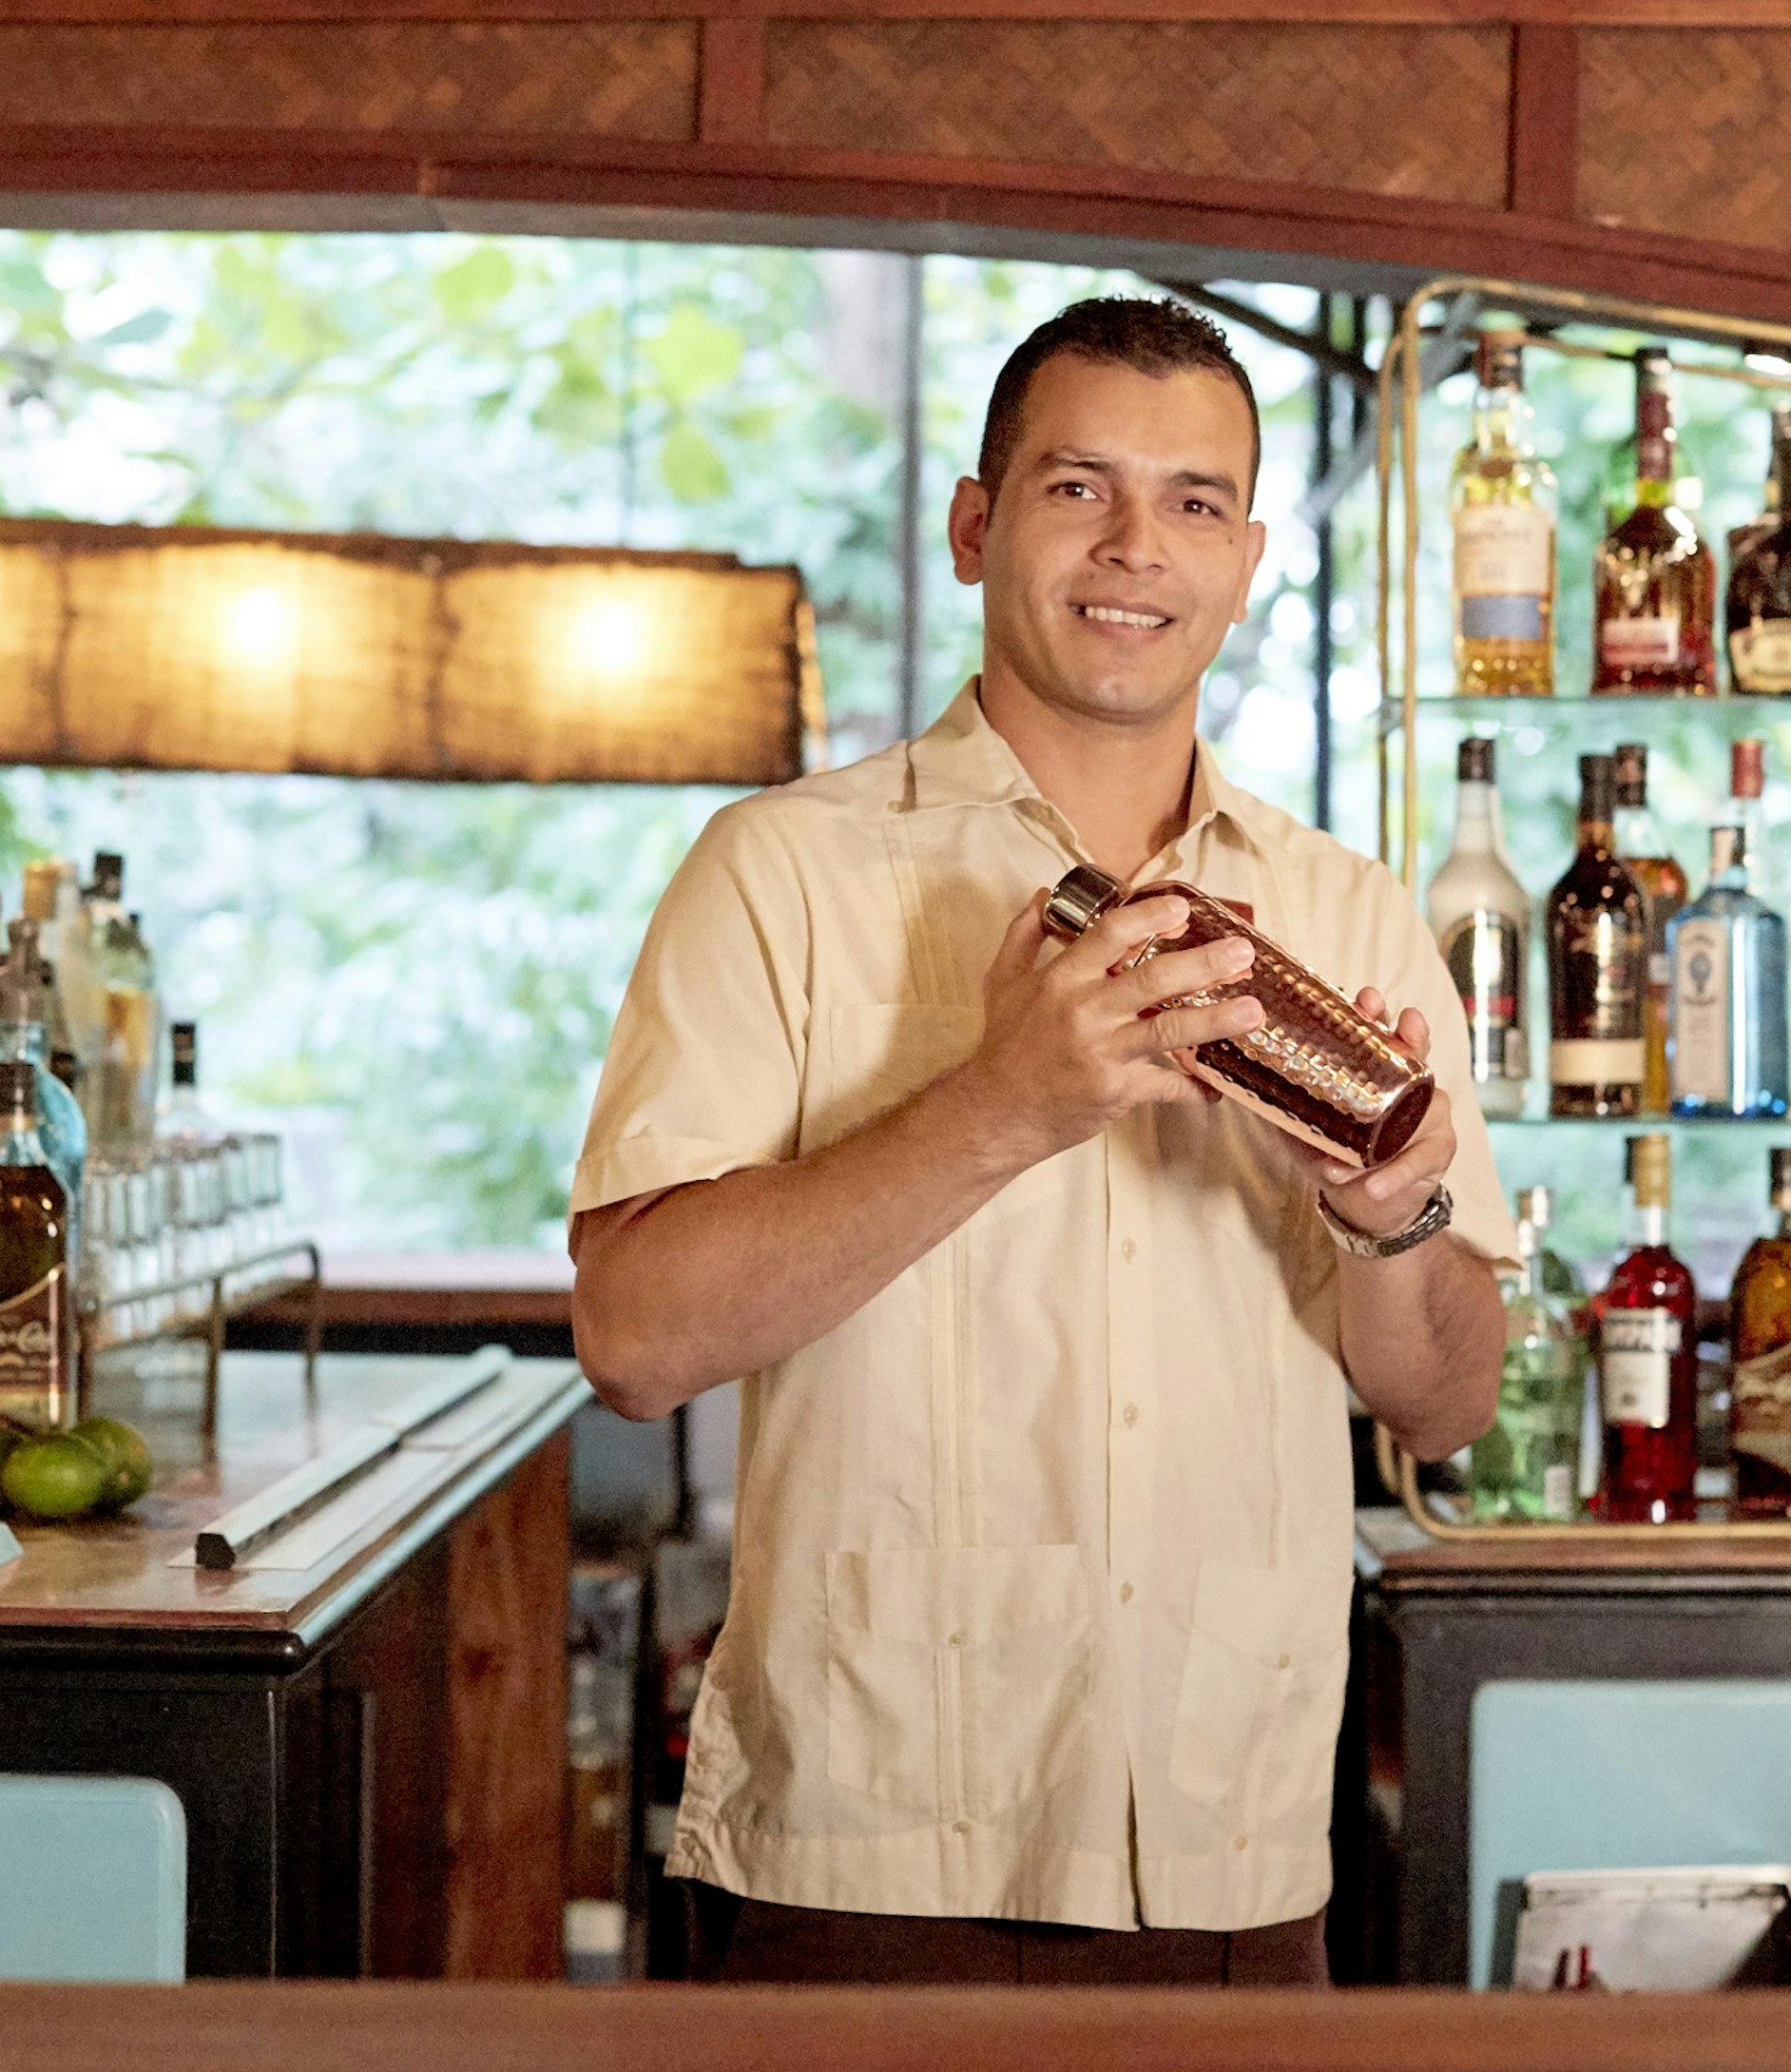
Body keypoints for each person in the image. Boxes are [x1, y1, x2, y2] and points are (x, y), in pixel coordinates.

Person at [568, 296, 1511, 1985]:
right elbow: (634, 1344)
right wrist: (1001, 1109)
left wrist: (1390, 1211)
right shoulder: (777, 872)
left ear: (1245, 561)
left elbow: (1445, 1401)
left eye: (1196, 503)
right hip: (864, 1856)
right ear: (974, 523)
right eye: (1079, 488)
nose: (1138, 548)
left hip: (1230, 1857)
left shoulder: (1347, 916)